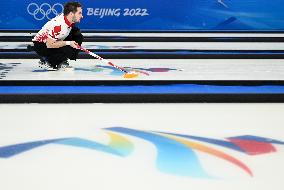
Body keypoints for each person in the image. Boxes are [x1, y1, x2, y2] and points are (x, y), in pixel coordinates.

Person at [32, 1, 84, 70]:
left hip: (53, 40)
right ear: (71, 14)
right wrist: (68, 43)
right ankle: (47, 61)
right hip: (41, 45)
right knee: (67, 49)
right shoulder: (59, 25)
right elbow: (49, 44)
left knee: (78, 37)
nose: (82, 16)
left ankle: (61, 60)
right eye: (79, 13)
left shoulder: (68, 18)